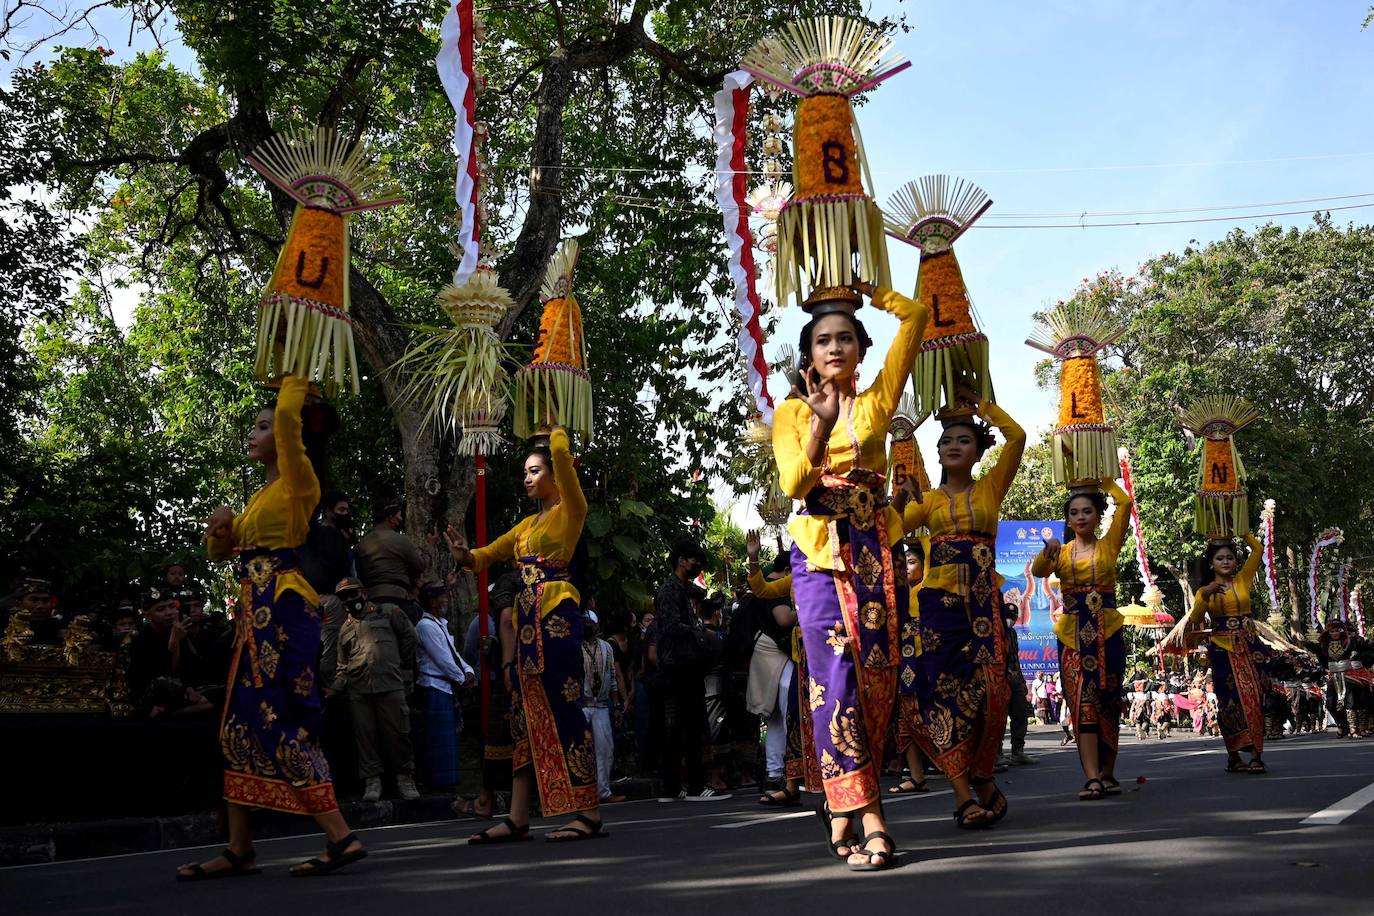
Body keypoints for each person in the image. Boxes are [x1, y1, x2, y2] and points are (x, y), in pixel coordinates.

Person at [178, 375, 366, 880]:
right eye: (255, 426)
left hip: (283, 612)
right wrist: (217, 529)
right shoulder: (261, 497)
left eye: (263, 426)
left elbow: (287, 420)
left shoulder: (302, 481)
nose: (254, 432)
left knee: (283, 718)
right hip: (254, 617)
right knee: (238, 726)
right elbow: (224, 551)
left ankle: (340, 836)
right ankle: (240, 848)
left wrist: (293, 380)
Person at [772, 279, 927, 870]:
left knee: (876, 683)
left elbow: (914, 320)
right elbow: (794, 486)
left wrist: (871, 288)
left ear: (860, 348)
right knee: (835, 682)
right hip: (818, 558)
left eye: (844, 339)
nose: (833, 348)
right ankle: (870, 817)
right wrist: (819, 423)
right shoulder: (792, 412)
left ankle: (842, 804)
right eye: (821, 341)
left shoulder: (878, 402)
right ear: (808, 355)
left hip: (873, 558)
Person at [445, 427, 607, 842]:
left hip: (556, 618)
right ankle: (518, 817)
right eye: (525, 472)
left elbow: (562, 457)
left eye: (536, 471)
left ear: (558, 474)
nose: (527, 478)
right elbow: (487, 555)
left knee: (565, 709)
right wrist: (466, 555)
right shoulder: (525, 526)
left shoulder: (572, 508)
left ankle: (588, 812)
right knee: (524, 719)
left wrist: (554, 429)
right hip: (527, 628)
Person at [902, 395, 1025, 830]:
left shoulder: (991, 487)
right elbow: (892, 528)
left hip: (984, 604)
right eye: (946, 441)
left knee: (994, 691)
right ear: (937, 453)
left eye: (963, 440)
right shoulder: (928, 501)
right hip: (940, 609)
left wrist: (986, 406)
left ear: (977, 449)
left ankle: (984, 777)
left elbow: (1018, 437)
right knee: (941, 693)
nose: (953, 446)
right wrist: (902, 500)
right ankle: (961, 794)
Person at [1031, 478, 1132, 800]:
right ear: (1068, 520)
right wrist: (1048, 553)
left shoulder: (1109, 544)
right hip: (1073, 636)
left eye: (1087, 511)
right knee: (1082, 704)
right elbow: (1037, 572)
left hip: (1110, 631)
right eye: (1074, 512)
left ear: (1098, 515)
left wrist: (1103, 480)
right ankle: (1091, 777)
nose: (1081, 517)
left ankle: (1108, 773)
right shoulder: (1060, 552)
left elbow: (1126, 504)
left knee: (1109, 701)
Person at [1164, 533, 1271, 773]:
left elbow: (1257, 550)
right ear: (1211, 563)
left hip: (1250, 646)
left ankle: (1256, 755)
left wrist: (1241, 529)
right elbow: (1196, 619)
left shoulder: (1243, 579)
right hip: (1223, 649)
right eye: (1220, 558)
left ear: (1235, 562)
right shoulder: (1205, 591)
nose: (1226, 562)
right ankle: (1234, 755)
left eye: (1230, 557)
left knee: (1255, 696)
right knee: (1229, 702)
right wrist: (1205, 595)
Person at [649, 539, 730, 803]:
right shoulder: (671, 591)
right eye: (694, 561)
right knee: (691, 727)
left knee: (680, 729)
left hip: (682, 666)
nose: (697, 566)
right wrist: (701, 634)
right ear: (681, 560)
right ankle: (694, 787)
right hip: (679, 667)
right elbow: (672, 627)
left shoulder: (681, 590)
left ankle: (673, 788)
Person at [332, 577, 419, 801]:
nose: (350, 600)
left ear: (364, 592)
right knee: (365, 738)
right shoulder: (344, 630)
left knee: (399, 733)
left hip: (391, 684)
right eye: (344, 597)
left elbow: (410, 638)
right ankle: (372, 782)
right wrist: (336, 686)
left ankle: (405, 778)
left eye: (353, 594)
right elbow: (342, 665)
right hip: (359, 691)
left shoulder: (389, 612)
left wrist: (401, 666)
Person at [453, 571, 520, 819]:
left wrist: (505, 665)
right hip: (507, 680)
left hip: (506, 681)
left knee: (500, 740)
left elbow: (505, 625)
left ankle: (487, 800)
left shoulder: (504, 615)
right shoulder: (483, 622)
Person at [744, 531, 801, 804]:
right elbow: (763, 592)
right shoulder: (790, 582)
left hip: (805, 655)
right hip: (784, 658)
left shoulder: (819, 576)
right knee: (788, 715)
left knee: (787, 716)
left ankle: (783, 775)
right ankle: (783, 777)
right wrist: (753, 558)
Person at [413, 579, 475, 792]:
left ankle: (449, 781)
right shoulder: (425, 626)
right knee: (437, 739)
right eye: (441, 596)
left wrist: (468, 671)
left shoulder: (440, 625)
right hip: (434, 686)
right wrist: (461, 677)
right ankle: (437, 783)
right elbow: (442, 659)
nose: (445, 599)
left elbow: (453, 654)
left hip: (445, 686)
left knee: (447, 738)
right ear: (431, 601)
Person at [891, 532, 934, 794]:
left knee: (931, 712)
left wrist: (921, 533)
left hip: (927, 659)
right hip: (904, 660)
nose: (907, 567)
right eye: (904, 562)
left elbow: (928, 554)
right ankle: (916, 776)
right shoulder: (897, 593)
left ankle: (958, 769)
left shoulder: (927, 586)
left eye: (912, 562)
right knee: (905, 717)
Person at [127, 588, 213, 719]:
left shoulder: (181, 631)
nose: (169, 613)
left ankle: (168, 712)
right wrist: (174, 643)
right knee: (165, 685)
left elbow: (189, 672)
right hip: (153, 693)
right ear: (147, 614)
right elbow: (162, 675)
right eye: (160, 609)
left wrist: (190, 689)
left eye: (172, 607)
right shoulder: (141, 638)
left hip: (181, 692)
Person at [355, 499, 425, 624]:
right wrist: (428, 548)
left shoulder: (361, 545)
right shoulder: (400, 540)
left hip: (371, 603)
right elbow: (420, 565)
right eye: (399, 516)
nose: (400, 520)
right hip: (399, 600)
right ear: (390, 518)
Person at [582, 612, 625, 804]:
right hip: (581, 705)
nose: (589, 626)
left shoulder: (606, 648)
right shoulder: (575, 647)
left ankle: (603, 791)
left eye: (591, 623)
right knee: (580, 750)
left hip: (600, 705)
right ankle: (582, 793)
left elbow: (613, 678)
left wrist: (616, 705)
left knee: (605, 749)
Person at [997, 599, 1038, 768]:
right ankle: (997, 753)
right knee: (998, 717)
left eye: (1013, 616)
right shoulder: (997, 631)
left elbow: (1015, 659)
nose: (1010, 619)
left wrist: (1021, 681)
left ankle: (1017, 751)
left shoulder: (1012, 633)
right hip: (1000, 679)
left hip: (1015, 680)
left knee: (1020, 713)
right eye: (1008, 616)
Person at [301, 490, 356, 598]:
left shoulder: (335, 535)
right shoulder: (326, 536)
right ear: (328, 512)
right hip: (331, 597)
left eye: (346, 510)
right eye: (341, 509)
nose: (345, 514)